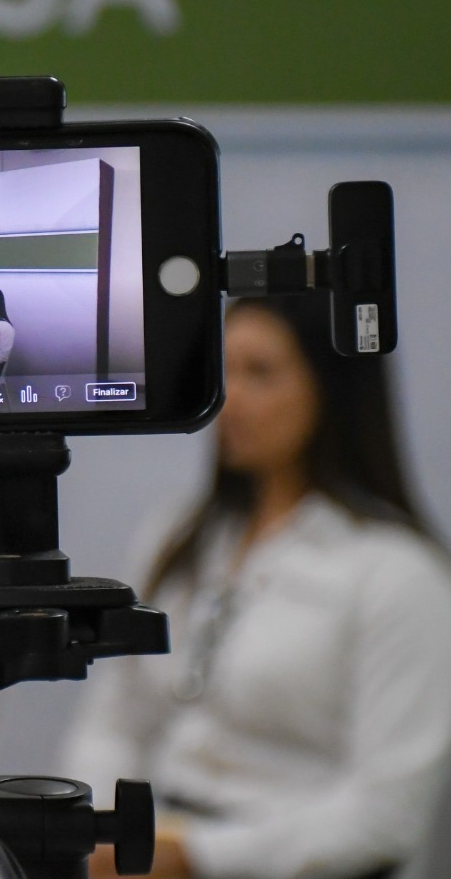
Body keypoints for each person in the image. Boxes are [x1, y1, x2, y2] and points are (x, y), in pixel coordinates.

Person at [63, 295, 451, 879]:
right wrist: (93, 831)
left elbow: (385, 814)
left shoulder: (396, 573)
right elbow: (115, 722)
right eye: (224, 373)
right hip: (154, 844)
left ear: (332, 388)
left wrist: (197, 857)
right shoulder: (179, 536)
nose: (231, 399)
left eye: (260, 373)